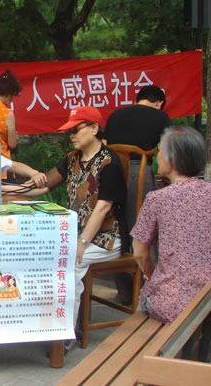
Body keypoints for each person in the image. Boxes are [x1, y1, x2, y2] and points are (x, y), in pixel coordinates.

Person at [24, 106, 126, 347]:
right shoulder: (72, 159)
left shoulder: (109, 162)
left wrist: (82, 242)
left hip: (106, 238)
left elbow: (103, 208)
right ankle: (44, 323)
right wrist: (6, 190)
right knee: (45, 257)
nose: (71, 135)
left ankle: (64, 335)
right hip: (75, 235)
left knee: (69, 265)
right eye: (68, 131)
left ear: (94, 128)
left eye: (75, 129)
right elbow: (44, 185)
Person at [131, 127, 211, 325]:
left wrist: (152, 275)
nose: (157, 157)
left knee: (145, 299)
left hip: (173, 304)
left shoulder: (158, 198)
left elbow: (139, 252)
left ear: (172, 158)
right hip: (207, 300)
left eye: (160, 151)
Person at [104, 85, 171, 304]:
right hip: (138, 174)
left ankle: (124, 293)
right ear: (159, 103)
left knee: (119, 230)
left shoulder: (115, 115)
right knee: (145, 230)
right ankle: (148, 291)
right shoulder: (160, 117)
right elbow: (169, 151)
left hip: (110, 174)